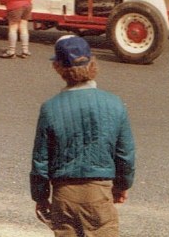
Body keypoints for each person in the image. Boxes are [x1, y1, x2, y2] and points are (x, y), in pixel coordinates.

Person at [31, 35, 135, 237]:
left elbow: (40, 160)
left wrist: (41, 197)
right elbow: (125, 154)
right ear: (92, 62)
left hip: (64, 196)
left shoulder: (50, 108)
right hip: (100, 192)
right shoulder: (114, 104)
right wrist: (122, 186)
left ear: (59, 68)